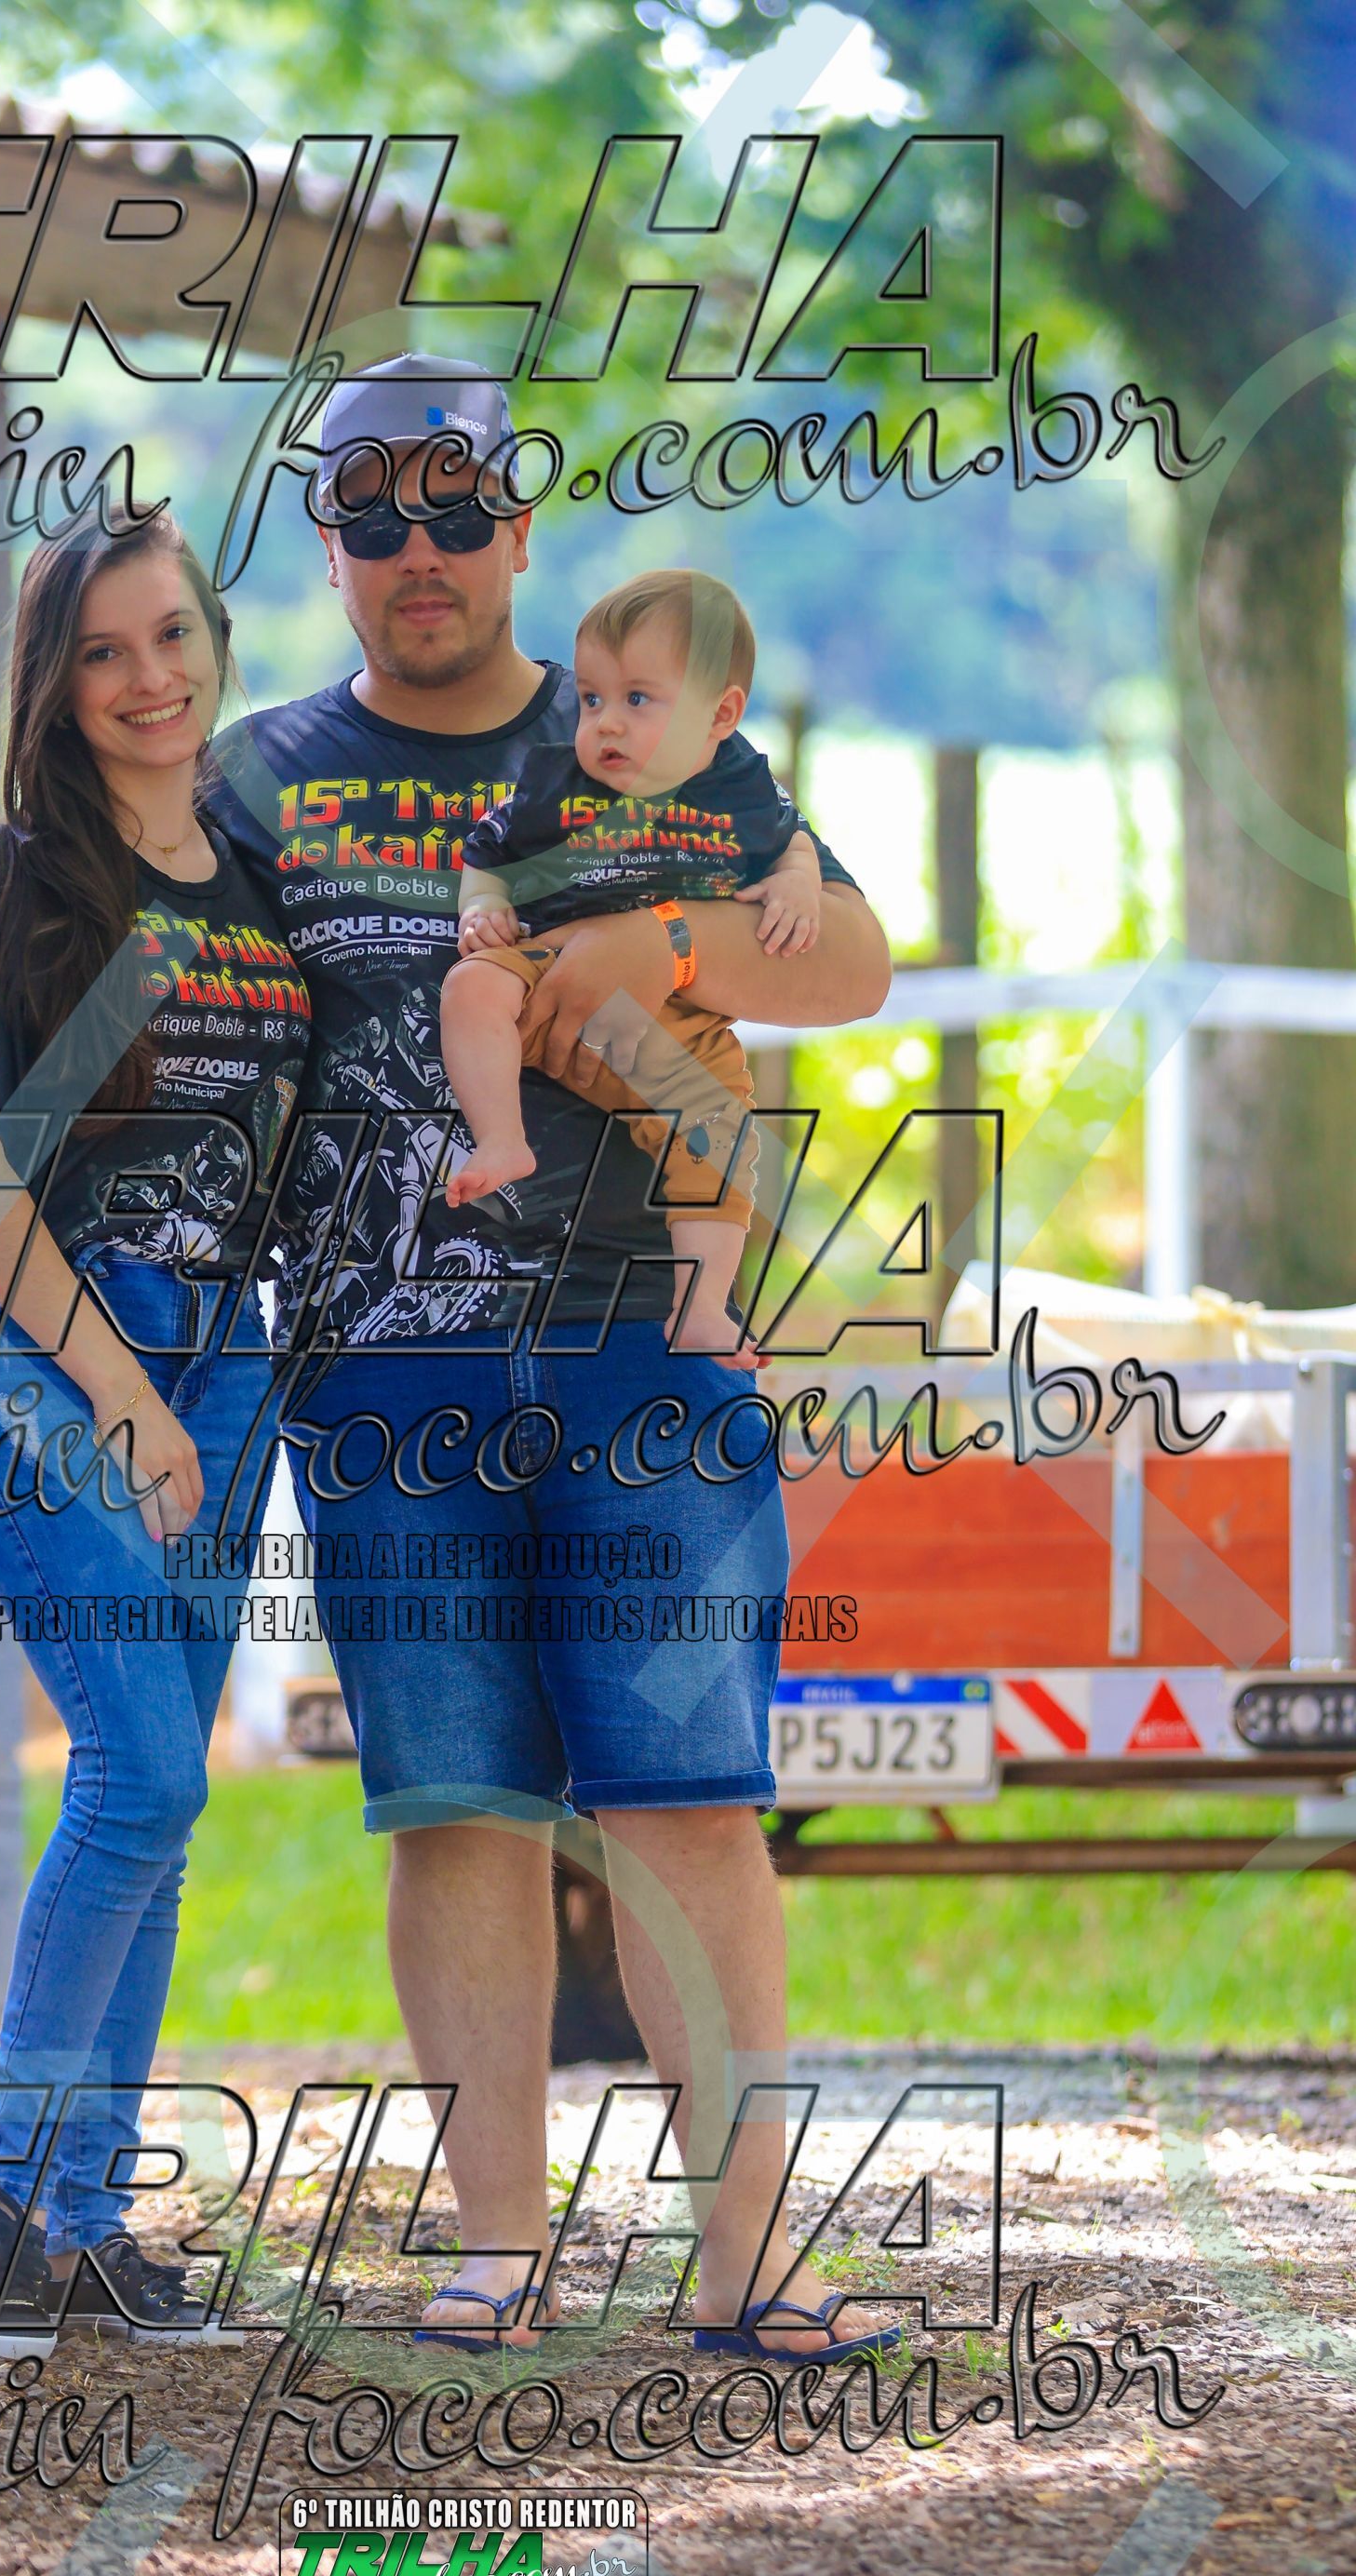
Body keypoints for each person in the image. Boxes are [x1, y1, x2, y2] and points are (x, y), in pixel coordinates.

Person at [208, 354, 899, 2364]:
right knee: (459, 1808)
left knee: (689, 1803)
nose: (417, 549)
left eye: (456, 510)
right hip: (382, 1374)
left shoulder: (634, 722)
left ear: (517, 525)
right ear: (328, 542)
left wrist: (659, 953)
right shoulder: (253, 783)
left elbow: (853, 962)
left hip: (641, 1356)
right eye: (374, 514)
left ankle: (747, 2262)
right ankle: (497, 2251)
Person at [0, 507, 310, 2360]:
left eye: (173, 637)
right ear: (55, 687)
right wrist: (122, 1391)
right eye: (103, 651)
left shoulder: (262, 887)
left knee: (161, 1800)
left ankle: (84, 2220)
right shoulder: (10, 883)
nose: (151, 678)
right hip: (33, 1352)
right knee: (142, 1770)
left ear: (213, 641)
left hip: (222, 1359)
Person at [442, 564, 820, 1363]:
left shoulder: (740, 791)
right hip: (553, 970)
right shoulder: (559, 784)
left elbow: (791, 843)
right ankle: (501, 1138)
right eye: (591, 699)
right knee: (472, 984)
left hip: (675, 1025)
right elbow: (487, 850)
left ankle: (701, 1305)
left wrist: (797, 883)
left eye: (638, 700)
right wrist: (483, 908)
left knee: (719, 1136)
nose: (605, 724)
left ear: (721, 715)